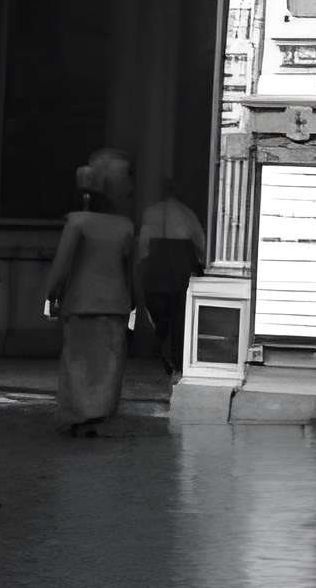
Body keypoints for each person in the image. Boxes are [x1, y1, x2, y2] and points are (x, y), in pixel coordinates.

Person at [47, 148, 140, 438]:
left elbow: (62, 264)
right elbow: (131, 269)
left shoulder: (76, 222)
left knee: (76, 360)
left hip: (80, 301)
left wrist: (52, 293)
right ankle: (97, 415)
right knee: (108, 363)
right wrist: (133, 300)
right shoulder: (125, 226)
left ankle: (76, 413)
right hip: (115, 303)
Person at [136, 190, 208, 375]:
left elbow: (143, 244)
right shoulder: (187, 213)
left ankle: (159, 347)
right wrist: (201, 265)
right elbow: (200, 242)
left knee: (158, 312)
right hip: (178, 269)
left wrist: (141, 263)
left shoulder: (151, 211)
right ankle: (174, 356)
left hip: (155, 268)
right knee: (178, 315)